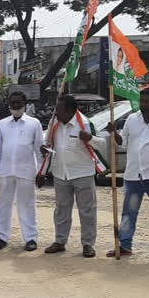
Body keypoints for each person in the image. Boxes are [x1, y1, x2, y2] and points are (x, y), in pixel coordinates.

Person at [39, 94, 106, 258]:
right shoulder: (55, 123)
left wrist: (90, 139)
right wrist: (44, 147)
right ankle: (60, 241)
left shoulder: (85, 124)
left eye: (59, 109)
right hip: (61, 173)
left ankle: (88, 244)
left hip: (83, 173)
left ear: (70, 111)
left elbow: (103, 145)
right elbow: (47, 139)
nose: (55, 112)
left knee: (87, 210)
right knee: (61, 210)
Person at [0, 91, 45, 252]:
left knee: (27, 205)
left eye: (18, 103)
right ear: (8, 104)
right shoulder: (2, 124)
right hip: (5, 170)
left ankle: (30, 238)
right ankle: (1, 236)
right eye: (12, 103)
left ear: (25, 103)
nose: (15, 106)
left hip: (26, 170)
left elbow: (38, 150)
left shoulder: (34, 123)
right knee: (2, 204)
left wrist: (41, 172)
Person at [105, 87, 149, 257]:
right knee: (128, 213)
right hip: (133, 175)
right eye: (141, 101)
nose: (143, 104)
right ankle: (124, 246)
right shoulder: (132, 119)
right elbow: (122, 143)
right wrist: (113, 132)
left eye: (147, 101)